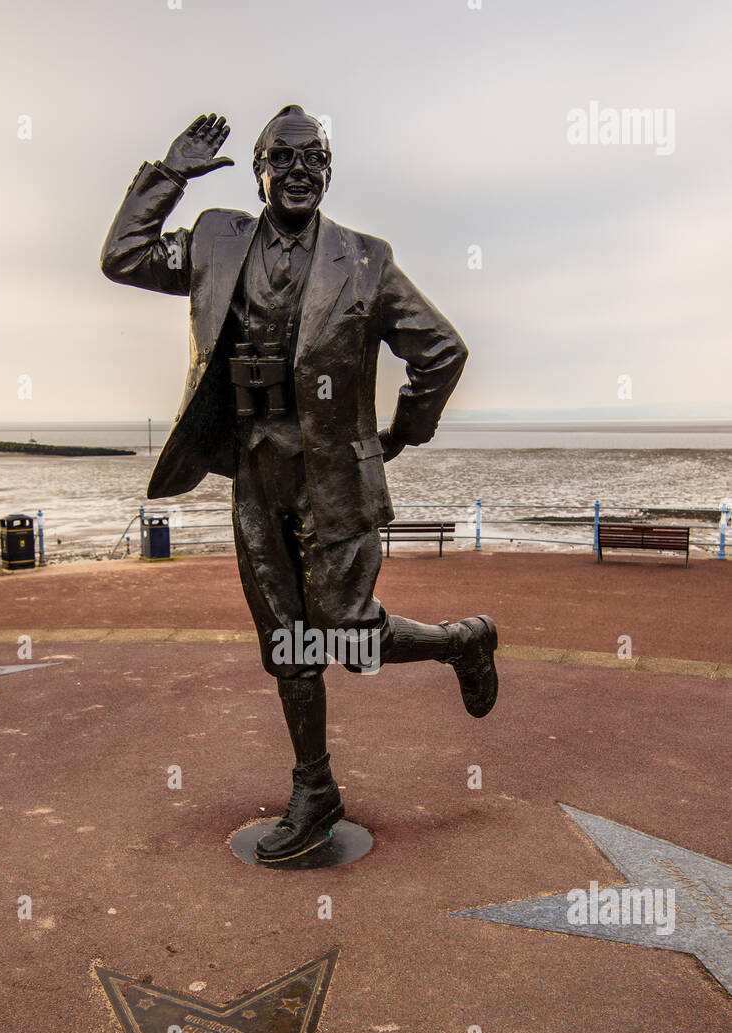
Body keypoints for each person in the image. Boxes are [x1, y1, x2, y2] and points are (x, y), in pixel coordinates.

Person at [101, 107, 498, 861]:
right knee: (287, 641)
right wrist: (170, 174)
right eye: (280, 157)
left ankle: (461, 643)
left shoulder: (366, 260)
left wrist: (399, 436)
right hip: (255, 471)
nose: (296, 170)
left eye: (312, 157)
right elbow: (123, 257)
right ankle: (314, 791)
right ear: (256, 170)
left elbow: (441, 351)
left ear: (328, 169)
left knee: (348, 636)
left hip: (336, 479)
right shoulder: (217, 241)